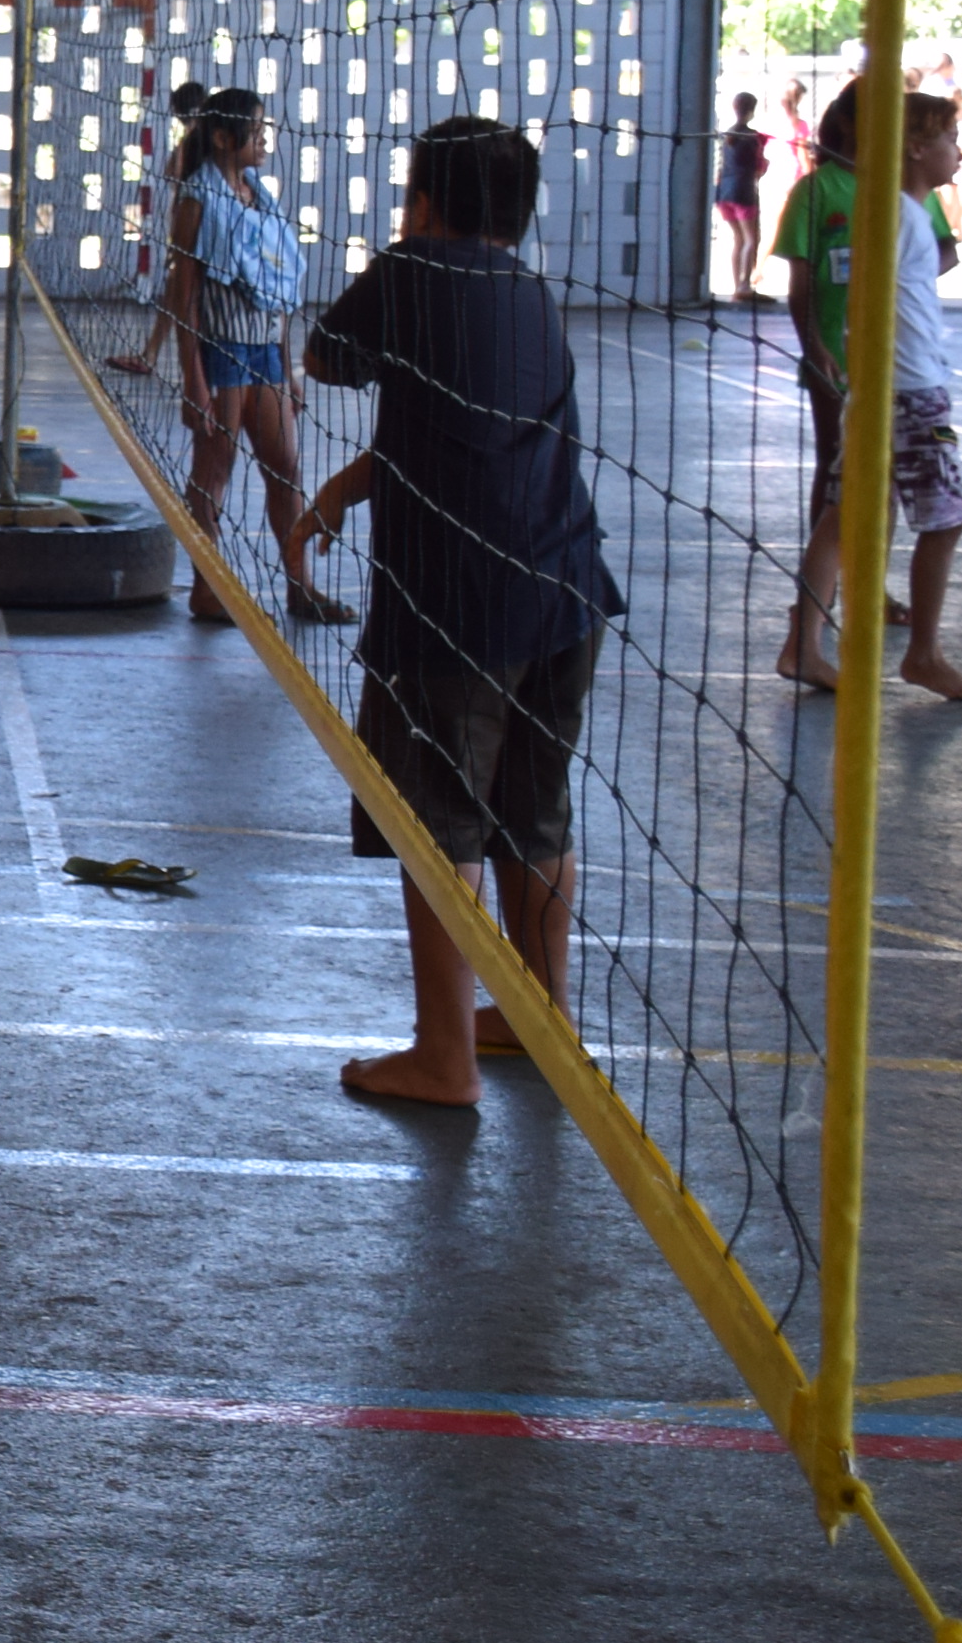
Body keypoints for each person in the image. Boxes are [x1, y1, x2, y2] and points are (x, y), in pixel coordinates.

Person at [297, 117, 628, 1111]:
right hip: (562, 590)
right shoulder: (527, 291)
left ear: (425, 202)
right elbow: (452, 430)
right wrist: (347, 488)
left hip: (453, 609)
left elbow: (324, 359)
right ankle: (534, 1014)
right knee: (532, 809)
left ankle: (442, 1056)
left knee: (434, 822)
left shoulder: (410, 274)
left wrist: (402, 252)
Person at [780, 92, 962, 703]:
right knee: (947, 520)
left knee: (844, 520)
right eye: (951, 138)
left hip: (878, 391)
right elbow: (862, 293)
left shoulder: (901, 213)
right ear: (917, 148)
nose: (960, 151)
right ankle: (923, 654)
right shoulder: (896, 214)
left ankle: (804, 645)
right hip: (911, 393)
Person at [166, 88, 352, 628]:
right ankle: (206, 589)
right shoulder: (197, 199)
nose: (265, 138)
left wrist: (290, 368)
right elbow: (185, 297)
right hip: (221, 352)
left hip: (264, 353)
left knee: (285, 469)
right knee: (214, 471)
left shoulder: (259, 197)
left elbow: (279, 291)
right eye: (256, 129)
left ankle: (301, 589)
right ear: (225, 138)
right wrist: (192, 379)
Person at [106, 79, 210, 377]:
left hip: (196, 230)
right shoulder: (198, 139)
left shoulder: (199, 139)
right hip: (189, 229)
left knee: (187, 296)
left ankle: (189, 366)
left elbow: (172, 171)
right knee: (174, 293)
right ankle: (152, 354)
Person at [712, 90, 771, 304]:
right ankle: (745, 286)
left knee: (738, 239)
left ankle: (737, 285)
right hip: (744, 191)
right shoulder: (753, 137)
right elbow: (758, 168)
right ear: (751, 110)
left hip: (724, 192)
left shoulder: (728, 135)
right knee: (752, 239)